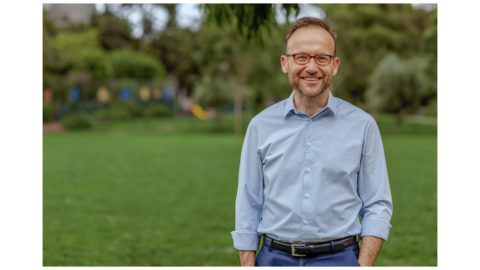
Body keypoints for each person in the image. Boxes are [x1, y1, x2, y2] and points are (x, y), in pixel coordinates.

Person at [231, 17, 393, 267]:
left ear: (334, 65)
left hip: (340, 259)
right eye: (302, 57)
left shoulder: (363, 126)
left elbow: (377, 203)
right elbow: (248, 202)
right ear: (285, 63)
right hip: (273, 259)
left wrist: (363, 264)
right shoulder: (260, 126)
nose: (312, 67)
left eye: (321, 58)